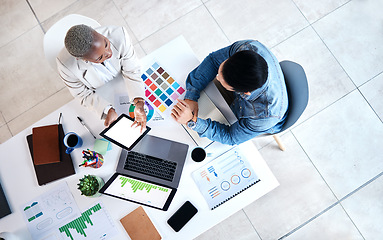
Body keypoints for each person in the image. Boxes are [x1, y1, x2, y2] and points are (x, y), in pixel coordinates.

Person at [171, 40, 288, 145]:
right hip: (241, 102)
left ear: (245, 92)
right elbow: (213, 61)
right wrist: (191, 96)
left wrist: (192, 121)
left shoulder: (265, 116)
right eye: (221, 70)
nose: (217, 77)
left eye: (222, 81)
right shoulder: (247, 47)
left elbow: (231, 137)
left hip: (250, 120)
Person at [57, 24, 146, 130]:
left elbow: (132, 70)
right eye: (99, 57)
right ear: (81, 59)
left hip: (124, 83)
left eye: (106, 44)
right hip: (103, 93)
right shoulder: (66, 66)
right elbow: (82, 94)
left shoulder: (120, 35)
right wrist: (107, 110)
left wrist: (139, 101)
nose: (109, 53)